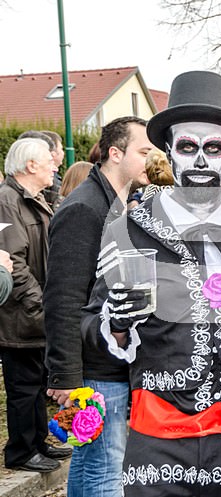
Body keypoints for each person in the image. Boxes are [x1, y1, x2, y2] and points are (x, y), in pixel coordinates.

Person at [80, 71, 221, 497]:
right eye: (187, 147)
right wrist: (116, 324)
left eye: (213, 148)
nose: (200, 162)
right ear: (169, 153)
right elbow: (89, 324)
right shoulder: (129, 230)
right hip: (158, 444)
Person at [44, 117, 152, 497]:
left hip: (108, 361)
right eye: (144, 151)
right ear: (115, 153)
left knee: (89, 460)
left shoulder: (118, 203)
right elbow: (62, 298)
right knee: (107, 470)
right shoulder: (84, 207)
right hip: (95, 369)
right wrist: (66, 377)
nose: (152, 159)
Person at [0, 138, 65, 473]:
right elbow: (13, 262)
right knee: (23, 387)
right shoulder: (7, 201)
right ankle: (21, 452)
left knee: (36, 383)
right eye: (47, 161)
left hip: (34, 312)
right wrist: (40, 304)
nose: (55, 165)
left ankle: (38, 442)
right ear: (30, 165)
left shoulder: (32, 198)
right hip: (20, 316)